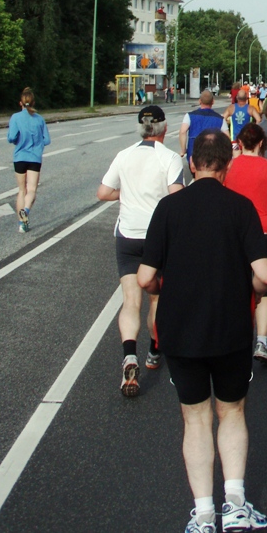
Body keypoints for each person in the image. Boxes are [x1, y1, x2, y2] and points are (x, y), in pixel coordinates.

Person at [137, 130, 267, 533]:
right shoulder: (241, 207)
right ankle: (235, 502)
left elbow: (146, 277)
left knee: (195, 419)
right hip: (230, 328)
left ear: (192, 164)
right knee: (231, 412)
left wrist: (164, 287)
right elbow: (264, 274)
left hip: (180, 330)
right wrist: (255, 289)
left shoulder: (168, 208)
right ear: (227, 166)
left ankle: (203, 513)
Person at [97, 105, 184, 396]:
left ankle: (129, 355)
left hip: (127, 234)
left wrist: (129, 192)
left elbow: (103, 193)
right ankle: (154, 352)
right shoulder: (170, 158)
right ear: (165, 129)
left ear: (140, 128)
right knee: (156, 297)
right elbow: (177, 199)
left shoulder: (124, 155)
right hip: (157, 237)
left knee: (130, 300)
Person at [225, 123, 267, 365]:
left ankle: (232, 337)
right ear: (261, 143)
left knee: (232, 285)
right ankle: (261, 341)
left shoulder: (229, 166)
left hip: (233, 234)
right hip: (264, 232)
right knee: (265, 288)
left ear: (239, 143)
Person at [7, 87, 51, 234]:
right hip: (35, 158)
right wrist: (37, 144)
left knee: (21, 190)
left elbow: (11, 137)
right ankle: (26, 210)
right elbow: (47, 140)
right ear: (33, 102)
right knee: (31, 190)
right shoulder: (39, 119)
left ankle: (21, 222)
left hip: (19, 157)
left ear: (21, 103)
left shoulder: (15, 117)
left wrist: (19, 141)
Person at [180, 90, 228, 163]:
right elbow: (227, 137)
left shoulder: (189, 116)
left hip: (194, 155)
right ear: (213, 102)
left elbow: (183, 132)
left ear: (199, 101)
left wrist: (183, 150)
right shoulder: (220, 119)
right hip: (213, 156)